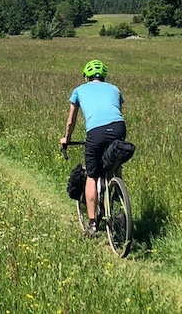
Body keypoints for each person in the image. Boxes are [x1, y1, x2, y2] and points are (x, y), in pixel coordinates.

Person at [60, 59, 126, 236]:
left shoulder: (78, 90)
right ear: (104, 76)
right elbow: (115, 111)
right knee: (114, 161)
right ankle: (117, 193)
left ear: (86, 76)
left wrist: (67, 138)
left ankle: (93, 225)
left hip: (96, 132)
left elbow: (71, 120)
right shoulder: (115, 89)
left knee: (92, 175)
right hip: (119, 127)